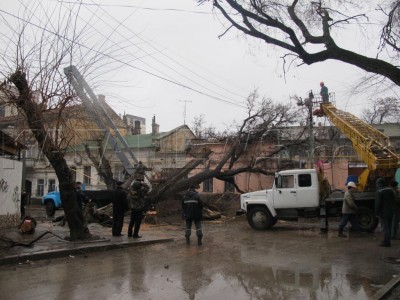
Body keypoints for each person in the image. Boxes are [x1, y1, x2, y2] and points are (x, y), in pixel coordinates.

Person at [375, 178, 396, 247]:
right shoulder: (390, 190)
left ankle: (386, 242)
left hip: (383, 213)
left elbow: (378, 203)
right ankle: (388, 240)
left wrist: (376, 212)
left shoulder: (379, 191)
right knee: (389, 227)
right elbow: (395, 200)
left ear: (379, 184)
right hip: (391, 212)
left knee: (384, 227)